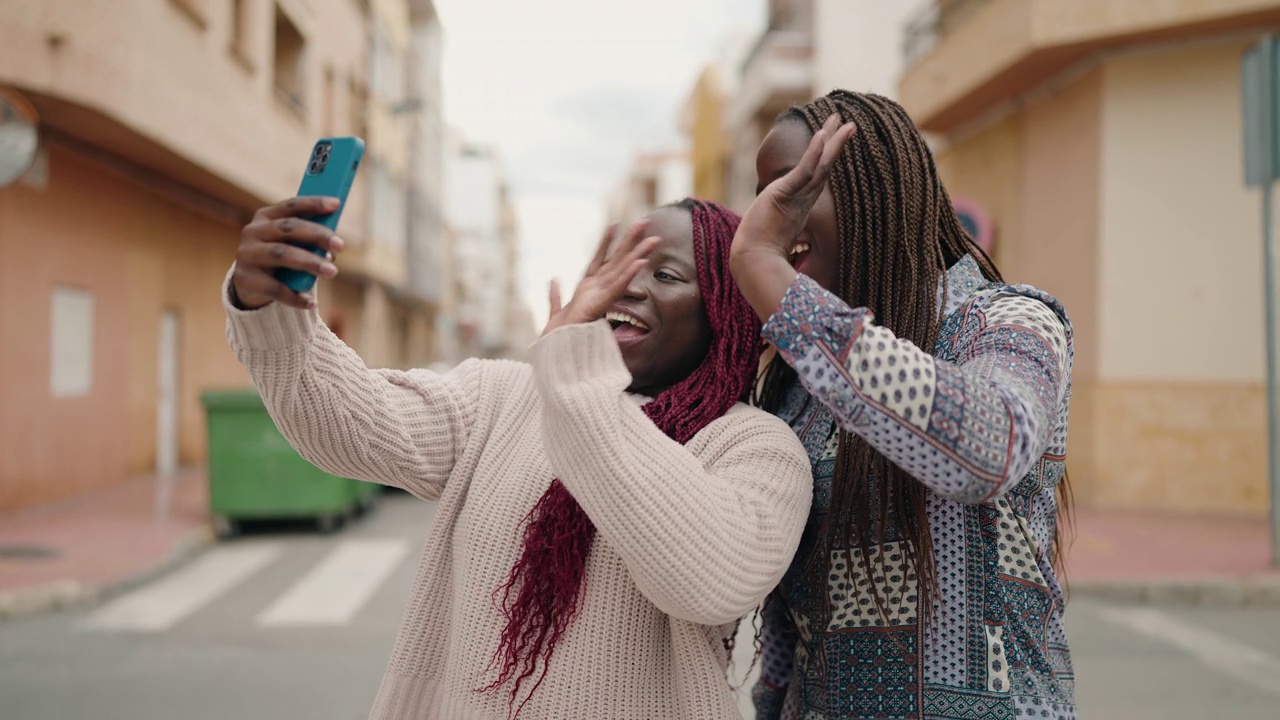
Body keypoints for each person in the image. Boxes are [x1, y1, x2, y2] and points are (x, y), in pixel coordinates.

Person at [223, 196, 812, 719]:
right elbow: (347, 425)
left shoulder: (756, 447)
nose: (628, 286)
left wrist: (575, 377)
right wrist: (273, 308)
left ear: (727, 316)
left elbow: (706, 581)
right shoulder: (502, 398)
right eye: (614, 266)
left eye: (663, 273)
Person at [729, 91, 1076, 720]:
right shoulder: (794, 382)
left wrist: (764, 272)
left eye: (796, 185)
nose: (769, 216)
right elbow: (786, 621)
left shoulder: (1009, 321)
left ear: (876, 195)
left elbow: (987, 450)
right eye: (760, 194)